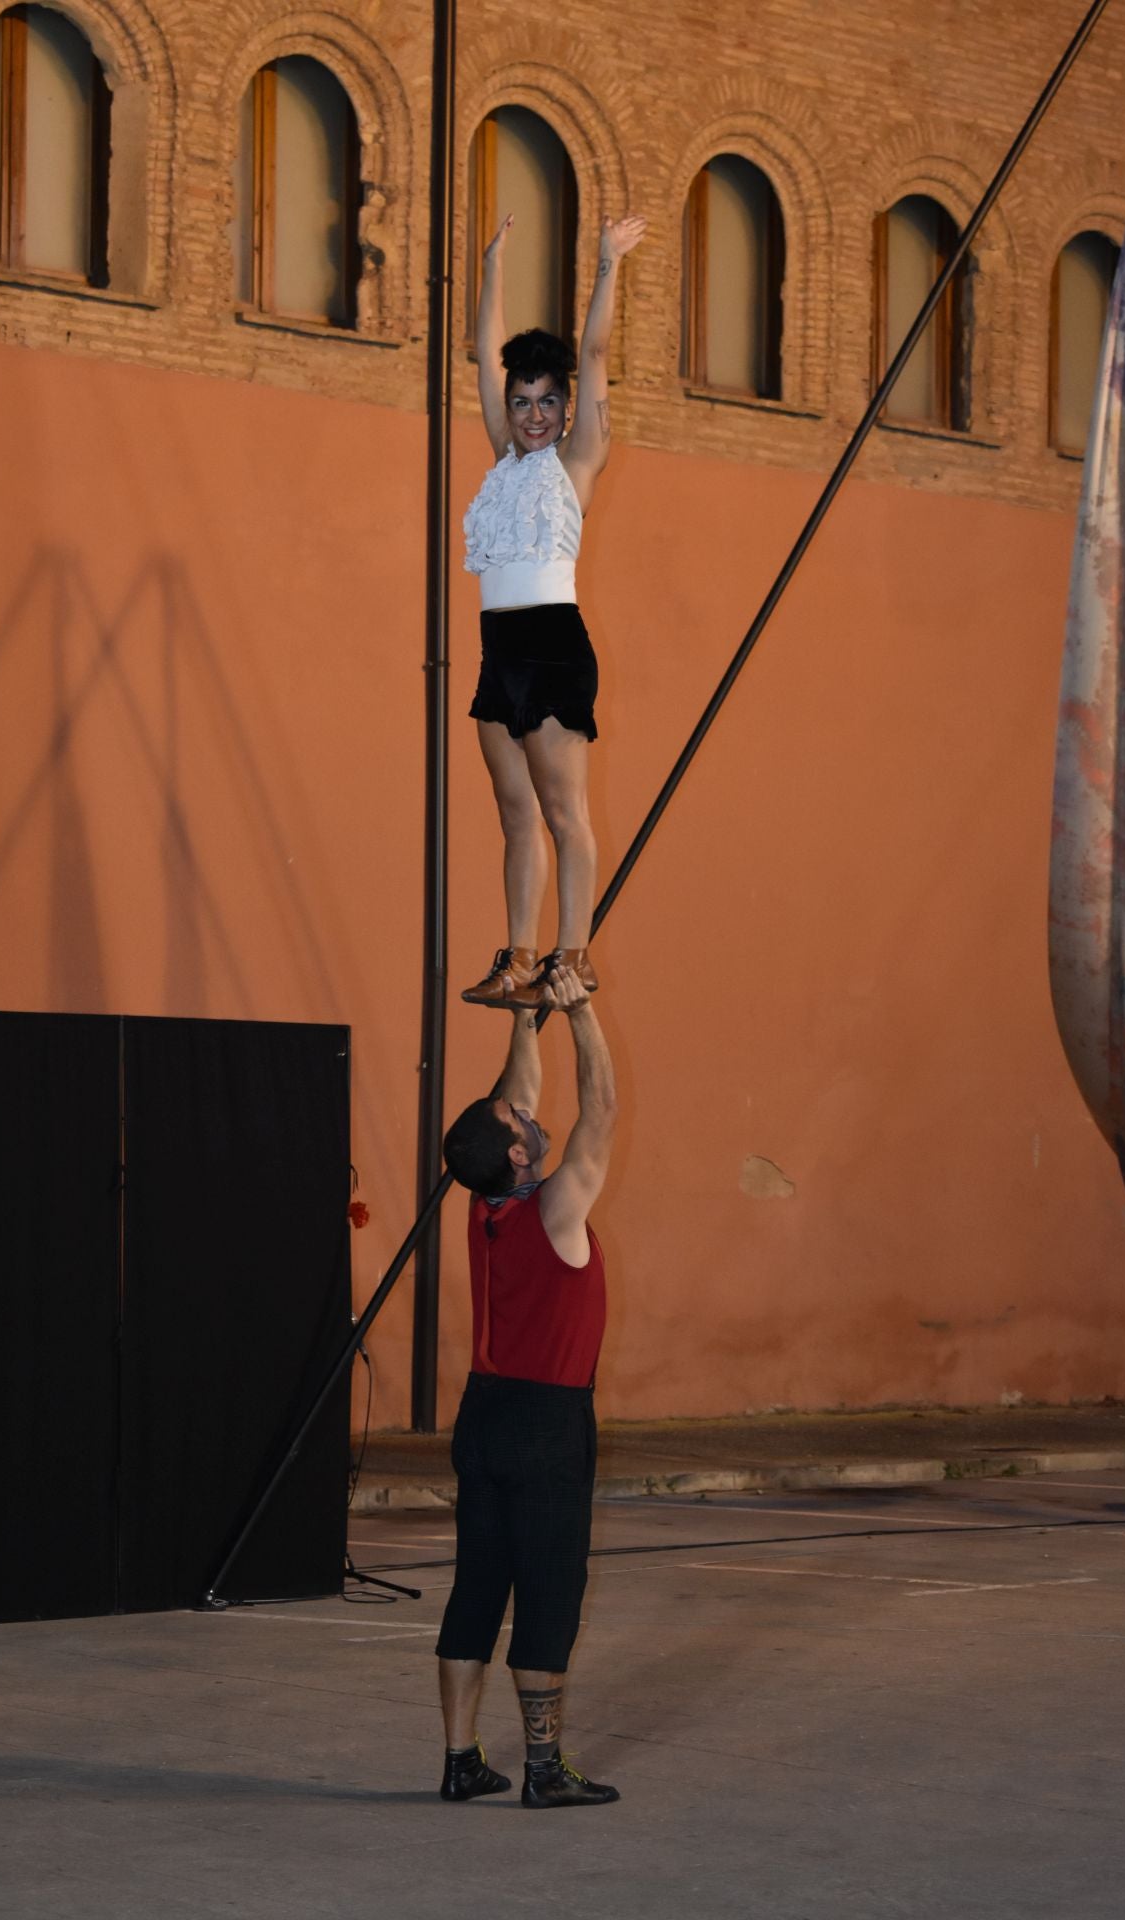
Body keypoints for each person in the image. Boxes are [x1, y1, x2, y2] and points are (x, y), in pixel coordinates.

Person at [435, 962, 620, 1809]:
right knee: (548, 1594)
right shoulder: (557, 1212)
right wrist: (579, 1014)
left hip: (482, 1418)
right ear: (518, 1150)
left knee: (478, 1587)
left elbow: (518, 1095)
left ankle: (460, 1760)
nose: (524, 1108)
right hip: (547, 1425)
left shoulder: (481, 1201)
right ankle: (544, 1771)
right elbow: (601, 1113)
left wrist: (523, 1015)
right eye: (519, 1117)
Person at [460, 210, 647, 1012]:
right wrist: (493, 263)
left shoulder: (576, 460)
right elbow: (483, 348)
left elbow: (597, 352)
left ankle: (574, 955)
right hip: (498, 647)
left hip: (551, 645)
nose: (532, 413)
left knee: (565, 810)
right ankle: (520, 956)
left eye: (547, 401)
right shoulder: (505, 458)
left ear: (569, 409)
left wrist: (607, 265)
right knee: (515, 813)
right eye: (522, 400)